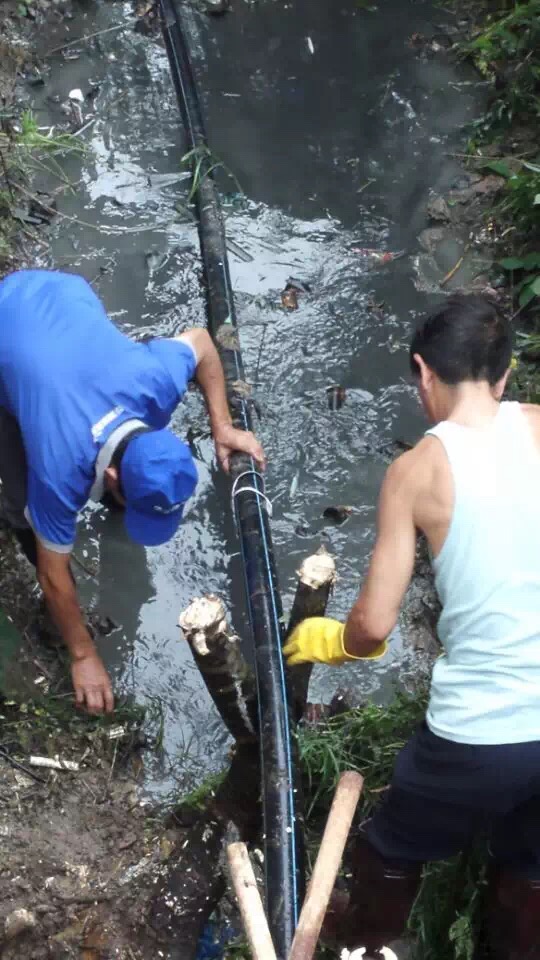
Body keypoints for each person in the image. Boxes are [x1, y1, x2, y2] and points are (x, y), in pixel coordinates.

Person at [284, 294, 540, 960]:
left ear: (424, 374)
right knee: (532, 868)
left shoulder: (415, 471)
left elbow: (372, 625)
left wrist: (330, 642)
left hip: (480, 730)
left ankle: (368, 939)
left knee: (389, 845)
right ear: (505, 375)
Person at [0, 269, 264, 716]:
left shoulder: (154, 382)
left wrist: (224, 428)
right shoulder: (59, 468)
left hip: (64, 295)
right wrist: (84, 656)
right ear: (116, 481)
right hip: (9, 325)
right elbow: (52, 575)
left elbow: (201, 343)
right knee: (19, 501)